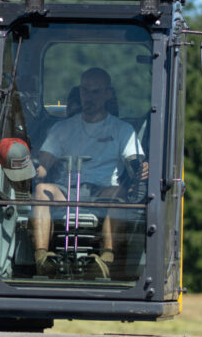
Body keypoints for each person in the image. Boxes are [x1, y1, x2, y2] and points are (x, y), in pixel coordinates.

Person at [31, 67, 148, 276]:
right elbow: (42, 167)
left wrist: (142, 169)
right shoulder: (62, 128)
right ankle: (41, 258)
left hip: (101, 192)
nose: (89, 97)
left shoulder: (122, 130)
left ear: (108, 94)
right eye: (85, 91)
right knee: (41, 190)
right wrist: (26, 166)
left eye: (96, 92)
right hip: (66, 190)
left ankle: (106, 259)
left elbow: (135, 163)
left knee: (119, 193)